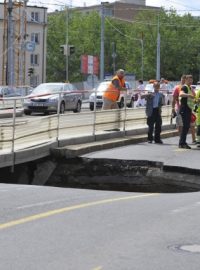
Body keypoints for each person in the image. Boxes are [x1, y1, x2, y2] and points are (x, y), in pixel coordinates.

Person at [178, 74, 195, 149]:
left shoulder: (190, 88)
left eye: (191, 80)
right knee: (186, 126)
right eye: (189, 80)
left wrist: (196, 100)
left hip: (188, 109)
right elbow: (181, 94)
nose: (190, 81)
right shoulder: (184, 87)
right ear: (185, 80)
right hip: (184, 109)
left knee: (186, 126)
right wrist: (189, 95)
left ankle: (182, 143)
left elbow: (192, 98)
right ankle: (182, 143)